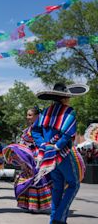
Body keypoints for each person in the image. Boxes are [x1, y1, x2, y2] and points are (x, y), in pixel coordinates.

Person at [32, 83, 88, 224]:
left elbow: (35, 130)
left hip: (47, 156)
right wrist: (57, 146)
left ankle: (54, 220)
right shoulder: (69, 112)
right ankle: (59, 219)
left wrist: (43, 145)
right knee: (73, 184)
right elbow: (68, 133)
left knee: (57, 187)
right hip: (61, 154)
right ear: (65, 98)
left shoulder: (45, 112)